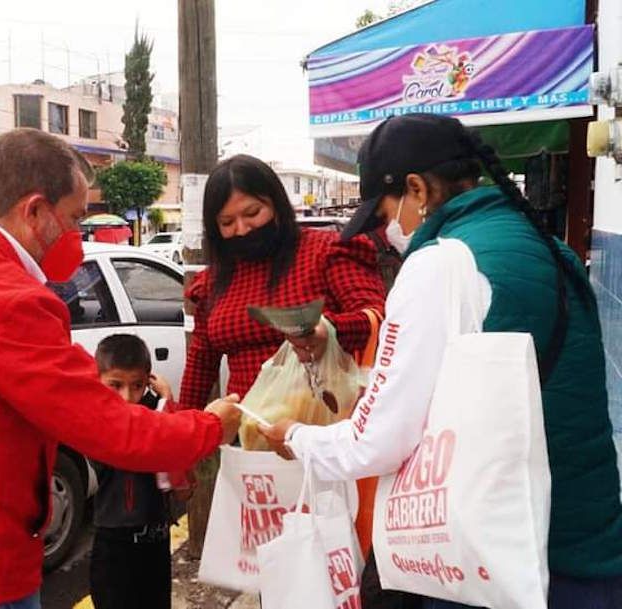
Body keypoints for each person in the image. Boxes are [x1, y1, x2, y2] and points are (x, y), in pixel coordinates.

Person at [0, 128, 241, 609]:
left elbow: (47, 385)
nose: (78, 237)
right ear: (35, 211)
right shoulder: (5, 297)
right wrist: (210, 425)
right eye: (76, 219)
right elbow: (110, 426)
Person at [259, 114, 622, 608]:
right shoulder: (546, 247)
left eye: (384, 214)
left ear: (416, 189)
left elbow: (377, 442)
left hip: (501, 566)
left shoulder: (441, 263)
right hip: (586, 544)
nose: (385, 233)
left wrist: (299, 438)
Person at [179, 154, 385, 412]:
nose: (242, 229)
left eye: (252, 213)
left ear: (276, 204)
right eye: (227, 223)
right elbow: (200, 366)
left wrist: (328, 329)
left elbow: (376, 319)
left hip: (323, 432)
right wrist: (180, 426)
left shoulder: (326, 252)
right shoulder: (213, 282)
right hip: (247, 438)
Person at [88, 334, 188, 609]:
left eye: (137, 386)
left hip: (155, 539)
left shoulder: (154, 413)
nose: (127, 397)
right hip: (115, 547)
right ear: (98, 381)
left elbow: (178, 466)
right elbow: (139, 446)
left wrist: (167, 403)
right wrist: (163, 411)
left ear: (148, 382)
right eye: (115, 385)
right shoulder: (98, 423)